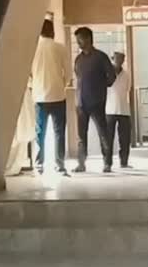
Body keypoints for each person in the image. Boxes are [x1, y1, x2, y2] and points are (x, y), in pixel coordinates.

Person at [30, 19, 72, 175]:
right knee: (59, 132)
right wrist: (61, 85)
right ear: (52, 31)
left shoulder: (33, 49)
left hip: (39, 97)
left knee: (40, 132)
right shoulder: (60, 48)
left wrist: (33, 85)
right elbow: (68, 73)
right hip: (58, 96)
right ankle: (59, 164)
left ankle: (39, 164)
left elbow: (27, 74)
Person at [73, 27, 116, 173]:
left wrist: (100, 86)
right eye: (77, 40)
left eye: (80, 39)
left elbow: (111, 77)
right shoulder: (78, 59)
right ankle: (81, 163)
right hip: (81, 103)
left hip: (97, 102)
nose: (78, 42)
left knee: (103, 134)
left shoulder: (100, 57)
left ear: (88, 39)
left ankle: (107, 163)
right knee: (81, 136)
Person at [105, 52, 133, 169]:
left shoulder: (126, 74)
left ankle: (124, 162)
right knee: (108, 139)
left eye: (122, 59)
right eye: (117, 59)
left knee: (125, 138)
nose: (119, 61)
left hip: (124, 110)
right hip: (109, 110)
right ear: (112, 59)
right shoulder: (106, 74)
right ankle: (107, 163)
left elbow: (128, 89)